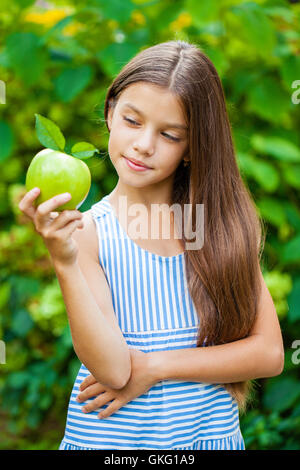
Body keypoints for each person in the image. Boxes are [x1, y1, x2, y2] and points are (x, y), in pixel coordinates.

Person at [19, 40, 284, 450]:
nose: (144, 144)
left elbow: (268, 352)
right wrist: (65, 262)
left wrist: (155, 366)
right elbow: (112, 370)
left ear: (193, 147)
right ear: (110, 113)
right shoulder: (90, 232)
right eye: (132, 121)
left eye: (169, 134)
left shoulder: (217, 228)